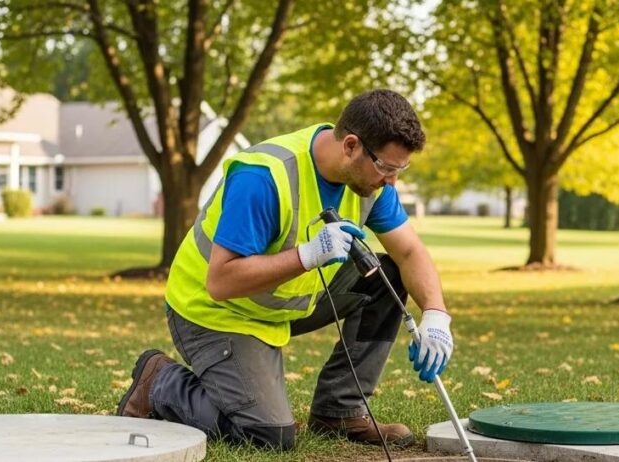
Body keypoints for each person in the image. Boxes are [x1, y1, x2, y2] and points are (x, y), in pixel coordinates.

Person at [116, 89, 454, 451]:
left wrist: (436, 314)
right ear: (351, 145)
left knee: (383, 276)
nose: (391, 181)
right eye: (386, 167)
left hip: (280, 302)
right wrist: (307, 255)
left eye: (399, 169)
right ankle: (160, 383)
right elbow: (221, 281)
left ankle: (340, 410)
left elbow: (409, 252)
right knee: (268, 436)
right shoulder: (263, 176)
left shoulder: (370, 183)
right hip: (214, 312)